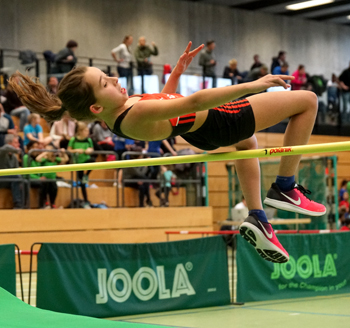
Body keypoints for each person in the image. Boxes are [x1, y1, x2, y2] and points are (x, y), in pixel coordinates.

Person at [10, 41, 327, 264]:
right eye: (106, 82)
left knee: (248, 144)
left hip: (201, 132)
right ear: (95, 107)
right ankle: (285, 187)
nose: (115, 79)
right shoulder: (130, 115)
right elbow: (193, 102)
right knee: (308, 101)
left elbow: (164, 105)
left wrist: (176, 74)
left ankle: (258, 217)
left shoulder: (120, 112)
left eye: (106, 75)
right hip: (220, 118)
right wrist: (253, 84)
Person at [67, 122, 95, 209]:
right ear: (81, 131)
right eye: (86, 131)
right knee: (82, 184)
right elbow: (69, 150)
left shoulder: (88, 140)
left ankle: (86, 175)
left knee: (93, 161)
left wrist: (89, 150)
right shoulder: (73, 140)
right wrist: (76, 150)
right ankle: (86, 200)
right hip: (78, 163)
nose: (87, 133)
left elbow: (91, 149)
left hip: (86, 161)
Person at [35, 144, 69, 208]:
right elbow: (37, 159)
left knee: (54, 189)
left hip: (52, 179)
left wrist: (63, 153)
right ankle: (45, 203)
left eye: (49, 150)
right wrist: (45, 153)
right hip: (45, 179)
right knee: (45, 188)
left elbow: (66, 159)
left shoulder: (55, 159)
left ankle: (52, 203)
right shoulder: (45, 159)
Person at [0, 134, 24, 209]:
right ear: (10, 143)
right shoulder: (2, 153)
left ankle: (25, 204)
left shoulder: (14, 157)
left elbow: (16, 171)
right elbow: (6, 147)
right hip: (1, 179)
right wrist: (16, 150)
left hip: (10, 180)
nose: (19, 144)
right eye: (16, 142)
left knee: (24, 179)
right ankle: (17, 204)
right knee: (16, 177)